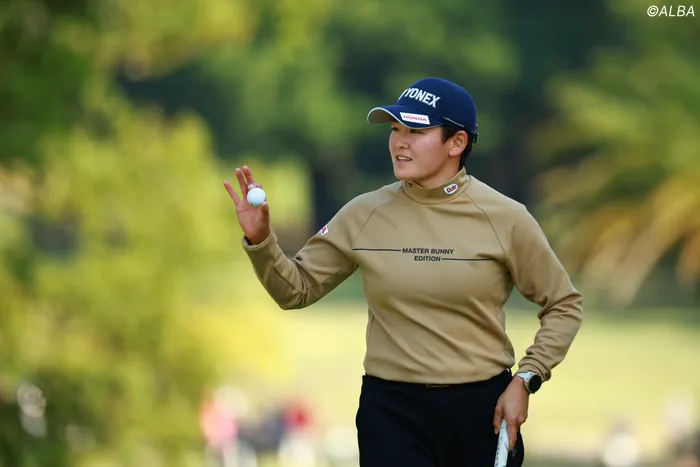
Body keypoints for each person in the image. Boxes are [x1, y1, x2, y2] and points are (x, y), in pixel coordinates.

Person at [224, 77, 584, 466]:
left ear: (456, 142)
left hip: (481, 409)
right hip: (391, 412)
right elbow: (296, 290)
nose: (399, 142)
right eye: (396, 129)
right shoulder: (365, 213)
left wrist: (526, 378)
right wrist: (261, 240)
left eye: (415, 131)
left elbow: (563, 304)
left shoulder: (506, 218)